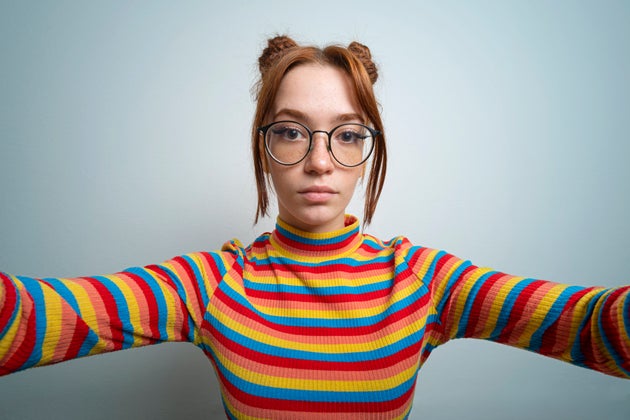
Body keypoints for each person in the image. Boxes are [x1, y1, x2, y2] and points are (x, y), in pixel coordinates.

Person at [1, 35, 628, 419]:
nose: (320, 159)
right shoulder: (213, 282)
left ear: (369, 151)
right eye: (291, 131)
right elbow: (29, 320)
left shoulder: (424, 280)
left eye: (348, 134)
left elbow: (596, 326)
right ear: (262, 145)